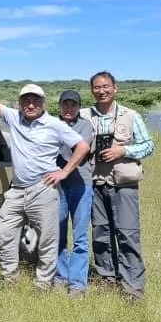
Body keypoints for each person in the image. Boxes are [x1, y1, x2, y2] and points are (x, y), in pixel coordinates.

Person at [0, 57, 91, 291]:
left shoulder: (55, 125)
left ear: (43, 103)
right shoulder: (13, 118)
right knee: (5, 233)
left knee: (47, 239)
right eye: (25, 100)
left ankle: (43, 284)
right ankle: (9, 279)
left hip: (43, 189)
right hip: (17, 190)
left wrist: (65, 171)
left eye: (34, 100)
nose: (30, 105)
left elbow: (83, 146)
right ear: (19, 104)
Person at [82, 71, 155, 302]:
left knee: (127, 234)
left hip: (123, 183)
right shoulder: (84, 116)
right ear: (91, 90)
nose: (101, 91)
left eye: (106, 87)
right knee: (101, 233)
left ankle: (133, 286)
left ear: (115, 88)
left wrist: (123, 150)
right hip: (95, 182)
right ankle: (107, 278)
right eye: (96, 87)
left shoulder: (130, 116)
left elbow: (148, 145)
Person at [53, 89, 95, 298]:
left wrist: (65, 169)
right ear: (59, 106)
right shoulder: (52, 124)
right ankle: (60, 276)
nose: (69, 109)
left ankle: (78, 283)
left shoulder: (85, 125)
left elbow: (82, 149)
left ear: (79, 107)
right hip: (58, 187)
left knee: (80, 237)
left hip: (81, 184)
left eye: (73, 105)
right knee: (58, 234)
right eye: (65, 105)